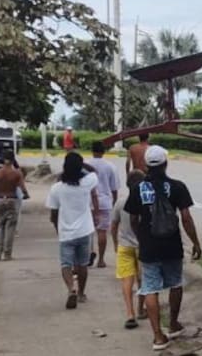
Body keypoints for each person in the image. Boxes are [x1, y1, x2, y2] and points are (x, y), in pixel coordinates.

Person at [123, 146, 202, 350]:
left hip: (149, 246)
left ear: (146, 165)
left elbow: (133, 219)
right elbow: (186, 218)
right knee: (175, 283)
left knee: (150, 288)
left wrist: (142, 237)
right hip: (172, 244)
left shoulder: (137, 189)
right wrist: (195, 242)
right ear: (166, 163)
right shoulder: (177, 187)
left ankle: (158, 336)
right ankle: (174, 324)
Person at [45, 152, 99, 309]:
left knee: (66, 264)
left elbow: (53, 214)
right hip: (84, 231)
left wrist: (57, 229)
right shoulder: (86, 183)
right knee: (82, 264)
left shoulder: (57, 188)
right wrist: (83, 164)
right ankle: (81, 293)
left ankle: (71, 289)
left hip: (66, 232)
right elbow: (95, 171)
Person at [110, 171, 147, 329]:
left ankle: (130, 313)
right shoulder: (145, 202)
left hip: (124, 246)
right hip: (142, 246)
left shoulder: (120, 202)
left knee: (127, 280)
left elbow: (113, 226)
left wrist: (115, 243)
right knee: (142, 279)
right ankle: (141, 308)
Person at [86, 140, 121, 268]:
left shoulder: (85, 165)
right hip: (105, 202)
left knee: (88, 231)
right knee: (102, 231)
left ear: (92, 150)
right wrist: (113, 202)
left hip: (88, 201)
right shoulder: (110, 166)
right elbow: (114, 189)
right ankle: (101, 260)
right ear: (104, 151)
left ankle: (88, 254)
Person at [0, 151, 29, 261]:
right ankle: (7, 253)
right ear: (13, 160)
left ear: (4, 160)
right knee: (10, 228)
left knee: (0, 226)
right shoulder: (17, 173)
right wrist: (26, 195)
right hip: (11, 199)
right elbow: (22, 188)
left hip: (0, 199)